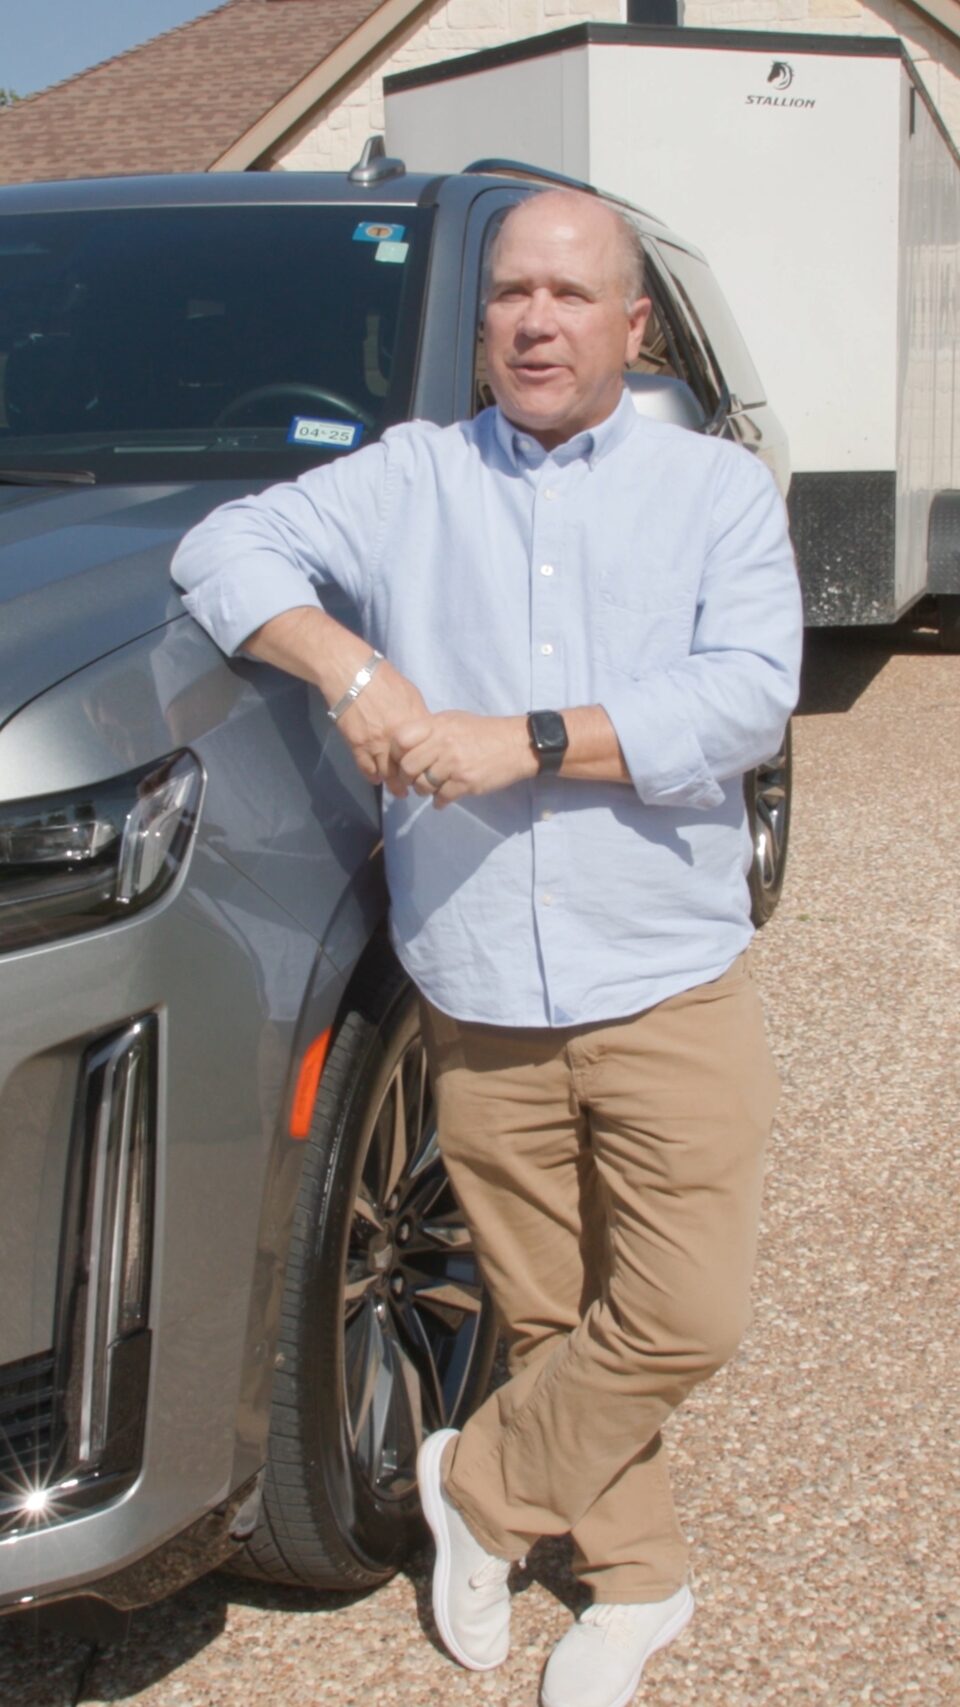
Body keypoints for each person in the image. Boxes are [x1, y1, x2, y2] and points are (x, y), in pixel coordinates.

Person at [172, 187, 802, 1707]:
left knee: (679, 1313)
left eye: (571, 297)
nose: (535, 320)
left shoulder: (712, 493)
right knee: (542, 1303)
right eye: (513, 293)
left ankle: (479, 1488)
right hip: (478, 987)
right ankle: (638, 1583)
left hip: (660, 972)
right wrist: (352, 671)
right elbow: (221, 548)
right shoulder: (409, 478)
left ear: (632, 326)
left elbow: (747, 699)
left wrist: (517, 740)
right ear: (482, 323)